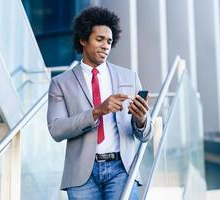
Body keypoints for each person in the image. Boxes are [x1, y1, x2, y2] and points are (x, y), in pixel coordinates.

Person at [47, 6, 152, 200]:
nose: (106, 46)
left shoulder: (129, 77)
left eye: (109, 41)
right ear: (83, 40)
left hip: (122, 169)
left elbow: (145, 135)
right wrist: (96, 112)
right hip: (81, 175)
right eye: (99, 39)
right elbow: (56, 129)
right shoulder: (60, 83)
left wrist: (141, 120)